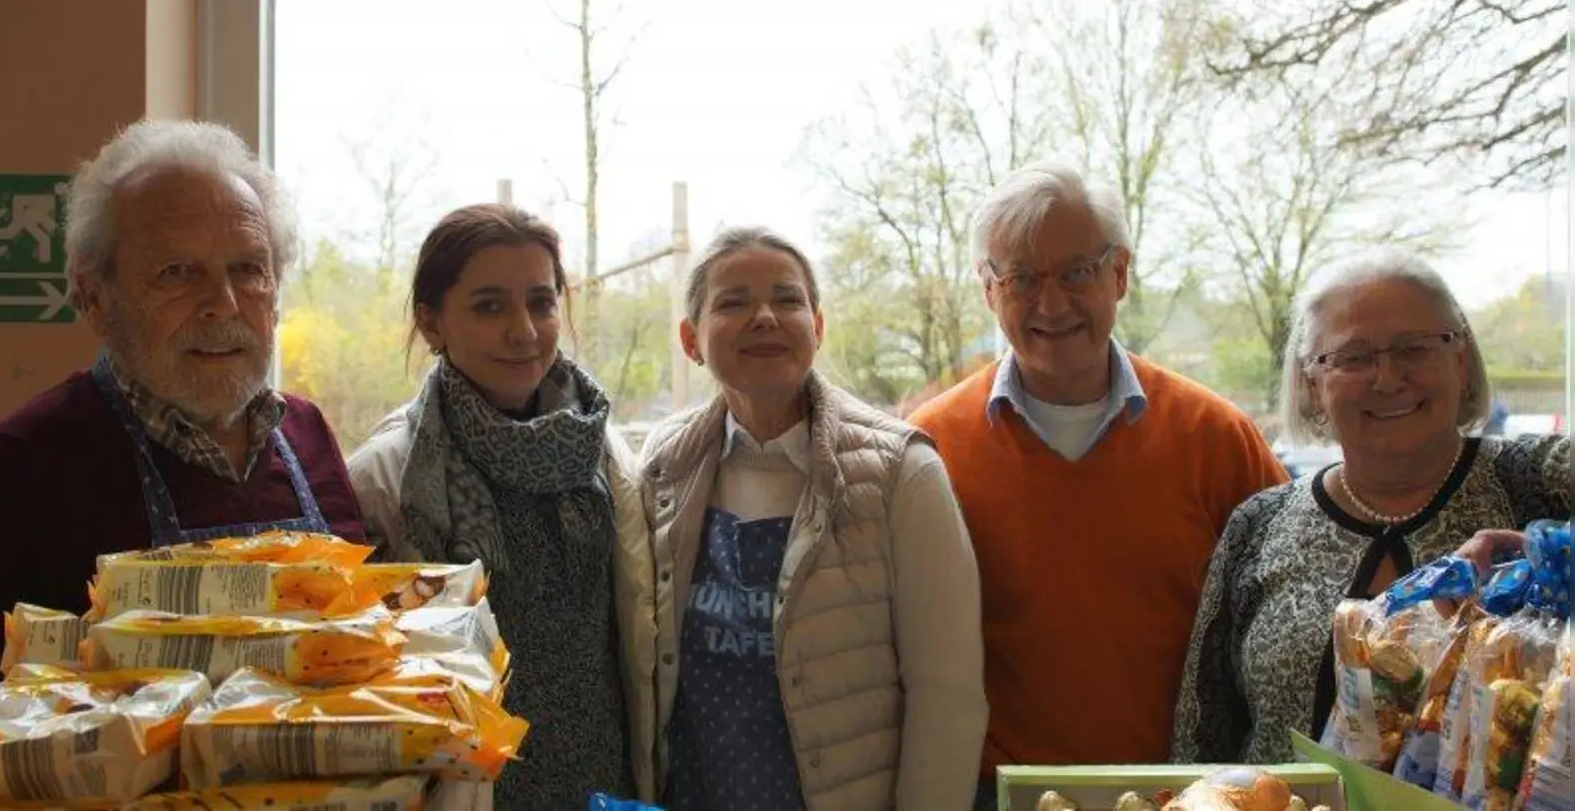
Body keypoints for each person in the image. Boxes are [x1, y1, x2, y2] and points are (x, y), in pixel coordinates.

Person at [906, 161, 1287, 805]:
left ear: (1120, 274)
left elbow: (1283, 614)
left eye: (1077, 272)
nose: (1052, 304)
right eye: (1022, 278)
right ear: (988, 289)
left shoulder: (1216, 436)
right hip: (999, 796)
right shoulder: (929, 450)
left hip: (1184, 792)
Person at [0, 120, 365, 685]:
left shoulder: (307, 435)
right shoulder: (17, 466)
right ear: (93, 298)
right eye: (176, 273)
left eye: (248, 269)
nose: (222, 304)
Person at [1171, 247, 1571, 765]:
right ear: (1313, 386)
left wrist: (1556, 551)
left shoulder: (1541, 481)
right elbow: (1202, 733)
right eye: (1354, 357)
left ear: (1461, 360)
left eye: (1414, 348)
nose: (1387, 378)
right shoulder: (1259, 526)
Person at [639, 227, 986, 811]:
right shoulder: (664, 465)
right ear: (690, 339)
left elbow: (947, 695)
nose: (764, 317)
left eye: (787, 299)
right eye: (733, 302)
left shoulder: (902, 473)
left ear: (818, 327)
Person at [346, 203, 656, 807]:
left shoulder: (600, 451)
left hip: (602, 783)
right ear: (431, 323)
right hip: (471, 790)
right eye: (490, 307)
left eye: (541, 302)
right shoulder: (387, 479)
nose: (525, 331)